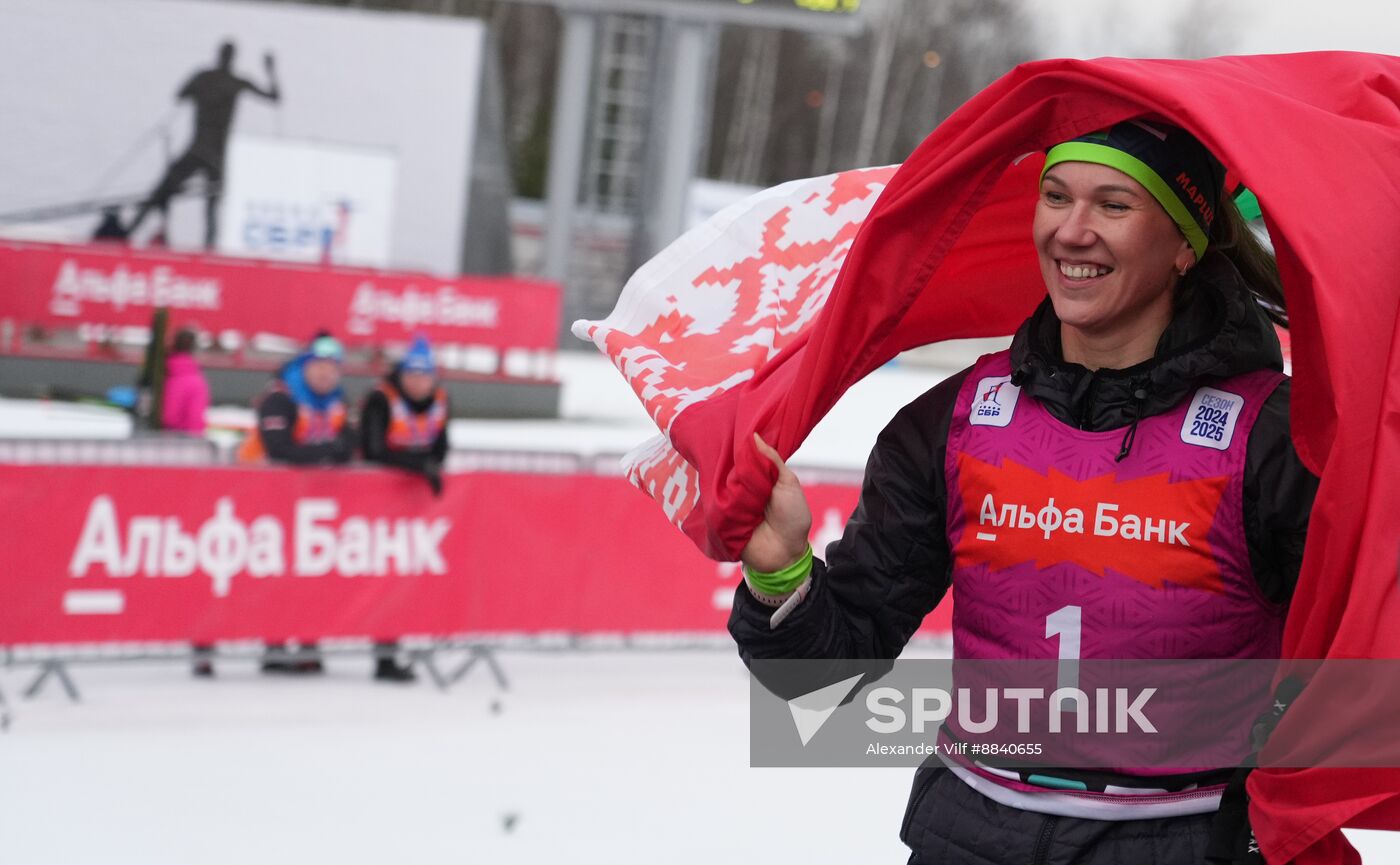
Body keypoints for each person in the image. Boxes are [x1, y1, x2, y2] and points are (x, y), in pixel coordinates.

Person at [730, 121, 1317, 863]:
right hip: (968, 836)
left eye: (1113, 205)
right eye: (1056, 196)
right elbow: (824, 678)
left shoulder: (1275, 438)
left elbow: (1355, 668)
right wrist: (782, 569)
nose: (1072, 231)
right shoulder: (955, 419)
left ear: (1184, 245)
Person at [241, 332, 354, 674]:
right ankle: (273, 644)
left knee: (312, 576)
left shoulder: (337, 401)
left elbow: (349, 445)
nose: (326, 375)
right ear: (305, 367)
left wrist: (332, 452)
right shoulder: (280, 397)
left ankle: (308, 641)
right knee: (273, 575)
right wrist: (326, 453)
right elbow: (278, 449)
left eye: (332, 369)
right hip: (263, 498)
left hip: (312, 505)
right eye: (319, 368)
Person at [358, 335, 450, 682]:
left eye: (424, 376)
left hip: (406, 509)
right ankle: (304, 649)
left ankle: (387, 655)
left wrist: (428, 467)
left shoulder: (440, 400)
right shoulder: (381, 399)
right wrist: (419, 467)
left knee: (395, 581)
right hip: (364, 505)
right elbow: (373, 450)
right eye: (411, 375)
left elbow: (441, 448)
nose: (417, 383)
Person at [126, 41, 280, 248]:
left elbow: (181, 94)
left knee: (202, 201)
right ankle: (128, 233)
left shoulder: (208, 78)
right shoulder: (230, 81)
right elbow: (274, 96)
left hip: (206, 151)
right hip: (207, 151)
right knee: (176, 194)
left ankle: (206, 248)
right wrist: (270, 70)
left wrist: (270, 70)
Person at [161, 327, 209, 435]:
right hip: (182, 442)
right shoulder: (195, 381)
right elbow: (195, 419)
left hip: (159, 439)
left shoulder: (162, 372)